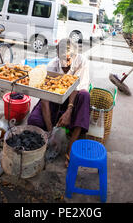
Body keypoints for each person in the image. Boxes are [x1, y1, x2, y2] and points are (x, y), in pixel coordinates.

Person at [27, 38, 91, 167]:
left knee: (85, 96)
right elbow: (45, 98)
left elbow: (77, 88)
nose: (64, 62)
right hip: (55, 98)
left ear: (74, 55)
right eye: (61, 57)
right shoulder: (52, 65)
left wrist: (69, 110)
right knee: (34, 121)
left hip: (75, 98)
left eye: (68, 58)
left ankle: (70, 148)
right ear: (57, 54)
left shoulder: (82, 62)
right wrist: (52, 133)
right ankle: (51, 135)